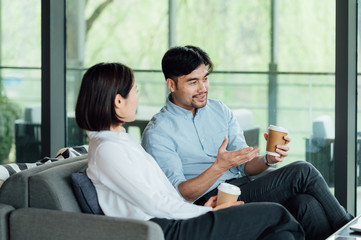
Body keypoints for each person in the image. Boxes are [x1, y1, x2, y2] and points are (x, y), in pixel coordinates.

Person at [141, 46, 354, 240]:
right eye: (193, 82)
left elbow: (245, 166)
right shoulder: (159, 132)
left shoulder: (219, 110)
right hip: (212, 203)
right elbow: (182, 193)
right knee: (303, 171)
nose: (203, 87)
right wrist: (219, 167)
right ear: (171, 84)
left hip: (245, 188)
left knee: (305, 204)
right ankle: (349, 227)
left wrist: (268, 159)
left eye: (205, 79)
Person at [75, 62, 304, 240]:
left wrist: (199, 209)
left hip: (176, 219)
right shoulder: (108, 151)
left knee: (282, 226)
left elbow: (162, 192)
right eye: (135, 91)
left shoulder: (119, 141)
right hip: (168, 230)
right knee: (277, 216)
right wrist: (206, 214)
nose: (137, 98)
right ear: (118, 101)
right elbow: (154, 204)